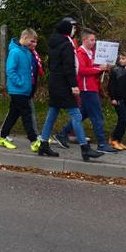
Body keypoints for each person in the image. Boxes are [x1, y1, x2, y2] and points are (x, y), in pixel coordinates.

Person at [38, 17, 102, 161]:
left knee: (52, 114)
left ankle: (43, 143)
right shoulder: (67, 44)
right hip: (64, 85)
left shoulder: (54, 42)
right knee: (76, 115)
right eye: (73, 28)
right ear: (67, 30)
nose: (74, 30)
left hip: (54, 83)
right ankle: (85, 149)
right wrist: (73, 85)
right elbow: (69, 66)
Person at [56, 28, 113, 154]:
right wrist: (99, 69)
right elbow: (82, 70)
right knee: (97, 116)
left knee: (82, 115)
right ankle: (101, 143)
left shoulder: (91, 52)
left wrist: (103, 68)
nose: (94, 42)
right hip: (87, 88)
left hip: (92, 87)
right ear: (84, 40)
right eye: (91, 40)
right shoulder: (80, 52)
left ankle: (62, 134)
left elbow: (93, 67)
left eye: (95, 40)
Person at [0, 28, 41, 152]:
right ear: (25, 37)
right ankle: (33, 140)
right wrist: (20, 82)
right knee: (26, 114)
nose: (34, 44)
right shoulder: (15, 52)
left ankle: (2, 136)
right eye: (32, 41)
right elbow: (10, 70)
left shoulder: (26, 51)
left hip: (24, 89)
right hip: (18, 90)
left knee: (13, 114)